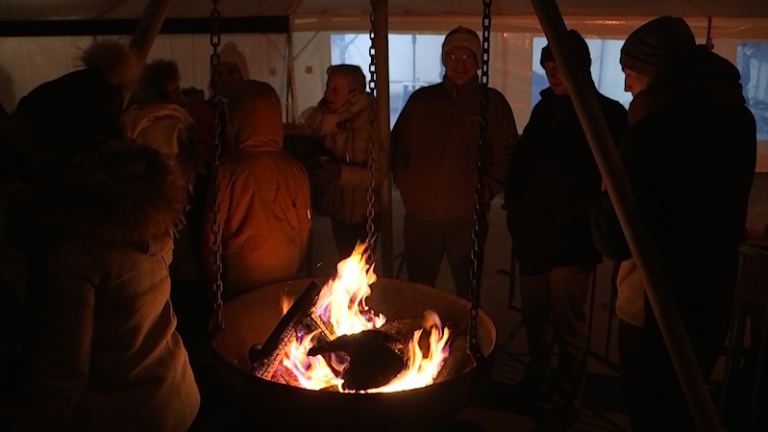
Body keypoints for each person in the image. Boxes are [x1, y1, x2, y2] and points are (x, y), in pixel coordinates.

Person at [4, 40, 200, 431]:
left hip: (120, 416)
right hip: (172, 396)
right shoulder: (143, 198)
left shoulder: (73, 239)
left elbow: (58, 372)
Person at [591, 16, 756, 431]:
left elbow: (615, 238)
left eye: (629, 73)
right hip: (710, 297)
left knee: (653, 413)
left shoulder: (652, 132)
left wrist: (606, 192)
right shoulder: (738, 120)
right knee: (686, 408)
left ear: (654, 70)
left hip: (654, 305)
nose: (626, 85)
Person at [503, 29, 628, 429]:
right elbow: (522, 164)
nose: (553, 73)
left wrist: (569, 217)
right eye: (548, 66)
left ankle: (567, 395)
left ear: (582, 67)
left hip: (571, 244)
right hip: (535, 239)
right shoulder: (544, 111)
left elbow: (608, 182)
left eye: (561, 66)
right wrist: (517, 213)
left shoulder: (606, 115)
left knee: (569, 328)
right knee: (538, 321)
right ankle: (536, 378)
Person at [391, 25, 518, 300]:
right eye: (452, 56)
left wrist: (480, 193)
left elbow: (506, 155)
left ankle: (466, 340)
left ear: (478, 61)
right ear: (443, 59)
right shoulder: (422, 101)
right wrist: (406, 182)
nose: (458, 64)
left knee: (467, 290)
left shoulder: (492, 104)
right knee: (420, 289)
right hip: (420, 217)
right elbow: (398, 144)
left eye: (466, 57)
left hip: (466, 219)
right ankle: (421, 340)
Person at [201, 80, 312, 301]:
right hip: (286, 267)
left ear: (235, 121)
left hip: (242, 272)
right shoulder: (294, 169)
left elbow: (211, 229)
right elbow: (304, 226)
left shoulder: (227, 170)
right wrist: (299, 264)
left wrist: (212, 276)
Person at [297, 64, 378, 261]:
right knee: (344, 263)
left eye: (335, 89)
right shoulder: (325, 119)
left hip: (366, 209)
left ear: (353, 94)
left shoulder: (374, 121)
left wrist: (339, 172)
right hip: (339, 207)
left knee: (363, 266)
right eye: (327, 87)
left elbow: (379, 174)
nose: (327, 93)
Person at [189, 42, 249, 161]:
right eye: (219, 74)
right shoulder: (203, 112)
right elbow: (202, 154)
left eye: (231, 72)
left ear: (242, 75)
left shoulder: (251, 108)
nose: (225, 78)